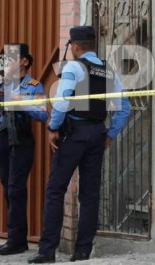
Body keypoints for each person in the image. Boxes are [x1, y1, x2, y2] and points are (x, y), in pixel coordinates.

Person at [28, 26, 131, 264]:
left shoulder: (73, 67)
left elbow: (62, 102)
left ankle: (47, 252)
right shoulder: (107, 71)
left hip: (74, 135)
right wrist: (110, 134)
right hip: (97, 134)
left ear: (74, 46)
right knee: (90, 194)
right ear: (93, 45)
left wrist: (53, 128)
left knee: (55, 190)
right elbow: (124, 108)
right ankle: (83, 251)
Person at [0, 43, 48, 256]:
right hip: (4, 140)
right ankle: (16, 237)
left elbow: (42, 114)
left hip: (22, 141)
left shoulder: (34, 86)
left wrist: (20, 102)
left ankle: (17, 240)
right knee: (8, 187)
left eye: (12, 59)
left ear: (24, 61)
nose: (7, 64)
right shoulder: (2, 84)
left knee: (16, 188)